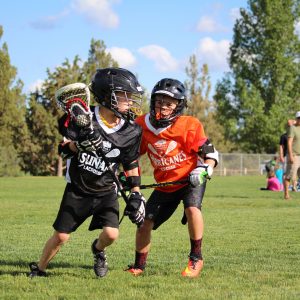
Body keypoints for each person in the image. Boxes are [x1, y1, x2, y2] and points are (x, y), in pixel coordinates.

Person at [28, 68, 146, 278]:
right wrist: (78, 145)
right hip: (78, 189)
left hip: (107, 191)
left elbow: (130, 162)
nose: (130, 101)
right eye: (124, 95)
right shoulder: (83, 117)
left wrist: (136, 192)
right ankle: (40, 269)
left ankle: (98, 250)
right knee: (62, 236)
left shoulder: (132, 130)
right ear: (107, 95)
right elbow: (63, 149)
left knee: (111, 234)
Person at [125, 78, 219, 278]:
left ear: (179, 106)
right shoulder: (141, 125)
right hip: (165, 184)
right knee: (144, 223)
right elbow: (130, 156)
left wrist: (204, 171)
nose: (163, 107)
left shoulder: (190, 124)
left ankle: (196, 258)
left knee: (192, 208)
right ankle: (139, 266)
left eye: (169, 103)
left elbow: (211, 154)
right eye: (159, 101)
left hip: (189, 179)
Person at [283, 111, 300, 200]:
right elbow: (289, 143)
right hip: (294, 155)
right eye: (299, 118)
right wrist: (290, 155)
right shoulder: (292, 128)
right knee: (289, 176)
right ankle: (286, 194)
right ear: (297, 119)